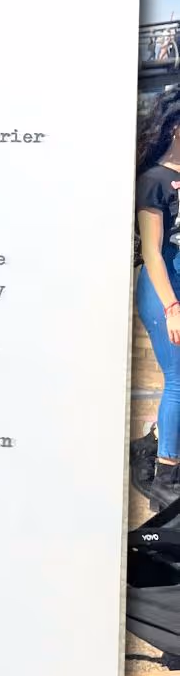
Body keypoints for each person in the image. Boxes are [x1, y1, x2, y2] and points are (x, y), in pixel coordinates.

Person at [137, 89, 180, 503]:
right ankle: (165, 479)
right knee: (178, 380)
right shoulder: (153, 179)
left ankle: (153, 440)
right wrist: (172, 307)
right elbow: (152, 251)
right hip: (163, 287)